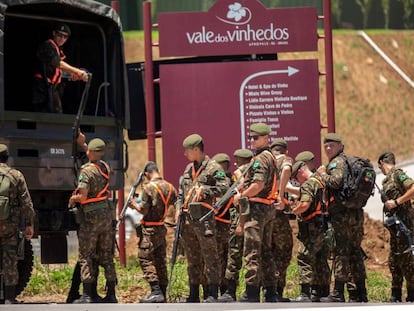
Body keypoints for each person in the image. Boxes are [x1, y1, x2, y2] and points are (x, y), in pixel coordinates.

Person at [176, 134, 228, 303]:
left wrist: (206, 190)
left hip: (204, 220)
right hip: (188, 221)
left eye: (187, 151)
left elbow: (225, 188)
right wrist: (178, 209)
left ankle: (212, 292)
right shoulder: (187, 169)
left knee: (210, 256)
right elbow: (181, 193)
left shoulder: (213, 167)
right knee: (192, 257)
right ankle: (193, 293)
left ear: (196, 149)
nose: (185, 154)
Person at [317, 133, 367, 302]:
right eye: (326, 146)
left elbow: (336, 181)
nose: (328, 149)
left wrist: (322, 174)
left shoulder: (336, 163)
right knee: (355, 252)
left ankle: (338, 292)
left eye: (331, 145)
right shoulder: (349, 161)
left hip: (341, 215)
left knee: (341, 252)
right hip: (356, 214)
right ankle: (361, 292)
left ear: (340, 146)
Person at [68, 138, 117, 303]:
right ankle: (111, 294)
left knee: (86, 255)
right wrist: (82, 142)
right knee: (106, 255)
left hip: (90, 217)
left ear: (90, 152)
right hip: (105, 215)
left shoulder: (86, 171)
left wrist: (73, 199)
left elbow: (82, 196)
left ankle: (88, 294)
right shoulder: (104, 167)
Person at [233, 123, 278, 302]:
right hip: (268, 208)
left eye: (256, 137)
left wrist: (241, 196)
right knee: (266, 251)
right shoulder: (270, 157)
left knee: (252, 250)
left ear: (267, 138)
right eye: (251, 137)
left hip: (257, 209)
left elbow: (258, 185)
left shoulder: (261, 159)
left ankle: (251, 291)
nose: (252, 140)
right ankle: (270, 291)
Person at [128, 161, 177, 303]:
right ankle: (162, 291)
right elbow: (173, 204)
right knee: (160, 260)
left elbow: (143, 210)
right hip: (161, 227)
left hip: (149, 229)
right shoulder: (170, 186)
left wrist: (133, 205)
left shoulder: (149, 187)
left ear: (147, 174)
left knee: (145, 258)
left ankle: (155, 290)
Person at [290, 161, 330, 302]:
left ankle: (305, 293)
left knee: (304, 257)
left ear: (301, 172)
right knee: (321, 259)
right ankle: (323, 291)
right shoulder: (320, 181)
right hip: (323, 225)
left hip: (311, 228)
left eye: (295, 177)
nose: (296, 181)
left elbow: (305, 204)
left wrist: (295, 210)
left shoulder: (308, 184)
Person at [0, 144, 35, 304]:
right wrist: (29, 224)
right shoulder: (16, 175)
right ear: (7, 157)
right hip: (9, 225)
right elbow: (26, 203)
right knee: (10, 258)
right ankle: (9, 297)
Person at [378, 151, 414, 302]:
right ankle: (395, 294)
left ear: (381, 163)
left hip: (405, 223)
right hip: (395, 227)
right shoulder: (386, 181)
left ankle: (412, 293)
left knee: (408, 259)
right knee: (395, 260)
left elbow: (413, 188)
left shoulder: (397, 174)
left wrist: (397, 202)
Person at [218, 148, 253, 302]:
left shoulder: (243, 180)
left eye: (238, 161)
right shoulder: (248, 180)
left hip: (241, 221)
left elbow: (242, 203)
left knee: (236, 255)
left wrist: (240, 223)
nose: (235, 164)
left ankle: (232, 292)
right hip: (248, 221)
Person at [33, 23, 89, 113]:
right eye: (60, 35)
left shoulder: (59, 50)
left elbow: (58, 72)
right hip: (41, 90)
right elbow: (57, 63)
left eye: (65, 37)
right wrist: (78, 71)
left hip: (52, 91)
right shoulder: (47, 46)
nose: (62, 39)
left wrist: (72, 76)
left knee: (57, 113)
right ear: (54, 33)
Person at [268, 138, 293, 301]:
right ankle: (277, 292)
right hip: (278, 214)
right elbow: (286, 169)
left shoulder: (265, 160)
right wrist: (281, 194)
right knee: (283, 251)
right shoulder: (284, 159)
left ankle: (268, 291)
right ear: (285, 151)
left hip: (263, 214)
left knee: (268, 252)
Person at [210, 153, 232, 297]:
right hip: (228, 226)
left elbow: (218, 206)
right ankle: (224, 291)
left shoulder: (224, 184)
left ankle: (217, 291)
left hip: (220, 225)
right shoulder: (231, 182)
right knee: (225, 259)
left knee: (217, 259)